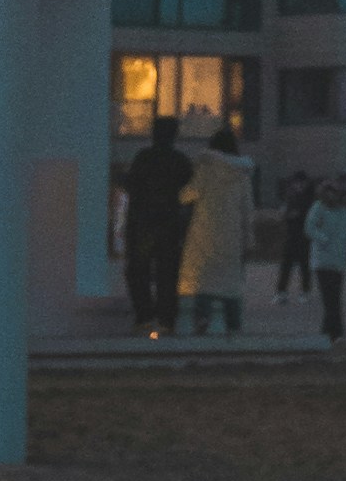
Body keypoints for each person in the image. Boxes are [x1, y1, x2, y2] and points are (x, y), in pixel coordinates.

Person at [119, 116, 191, 339]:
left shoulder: (143, 158)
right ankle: (166, 320)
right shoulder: (180, 161)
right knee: (167, 274)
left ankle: (144, 317)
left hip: (144, 225)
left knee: (137, 271)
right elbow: (188, 192)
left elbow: (132, 185)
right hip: (170, 225)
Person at [179, 125, 254, 337]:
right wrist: (249, 238)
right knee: (231, 284)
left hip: (205, 231)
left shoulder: (206, 168)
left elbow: (188, 194)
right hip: (232, 235)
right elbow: (247, 208)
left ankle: (202, 319)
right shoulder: (242, 174)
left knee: (203, 281)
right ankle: (234, 326)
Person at [307, 171, 346, 340]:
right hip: (322, 259)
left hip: (339, 258)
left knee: (334, 297)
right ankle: (334, 332)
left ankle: (330, 333)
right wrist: (323, 238)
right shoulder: (320, 206)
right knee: (329, 298)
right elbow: (309, 227)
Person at [272, 164, 315, 304]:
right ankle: (281, 292)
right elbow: (285, 214)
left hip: (305, 237)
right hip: (291, 236)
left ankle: (305, 292)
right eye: (296, 182)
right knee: (286, 265)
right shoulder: (290, 196)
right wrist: (288, 215)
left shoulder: (310, 198)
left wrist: (295, 215)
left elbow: (308, 216)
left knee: (305, 266)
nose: (298, 185)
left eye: (301, 182)